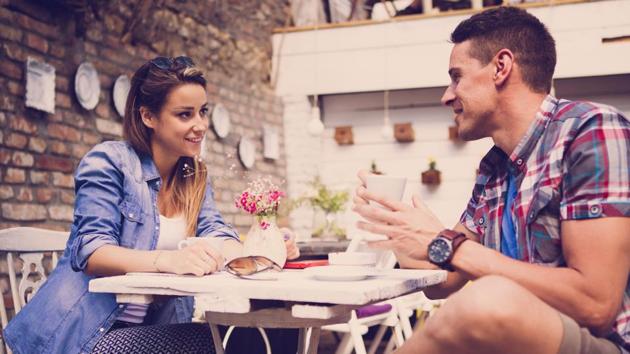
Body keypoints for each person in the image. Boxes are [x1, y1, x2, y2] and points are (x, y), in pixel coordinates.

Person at [353, 6, 630, 354]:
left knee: (486, 300)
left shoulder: (590, 131)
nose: (447, 96)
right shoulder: (494, 169)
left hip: (605, 343)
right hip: (528, 339)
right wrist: (394, 223)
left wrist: (447, 244)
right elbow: (445, 280)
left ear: (501, 67)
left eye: (457, 77)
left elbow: (596, 305)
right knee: (481, 301)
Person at [3, 56, 300, 354]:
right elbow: (92, 250)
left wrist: (260, 254)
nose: (200, 125)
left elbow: (216, 233)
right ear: (148, 116)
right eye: (185, 115)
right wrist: (168, 261)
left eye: (203, 112)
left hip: (151, 328)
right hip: (83, 336)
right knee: (223, 342)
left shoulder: (193, 175)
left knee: (269, 331)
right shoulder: (109, 162)